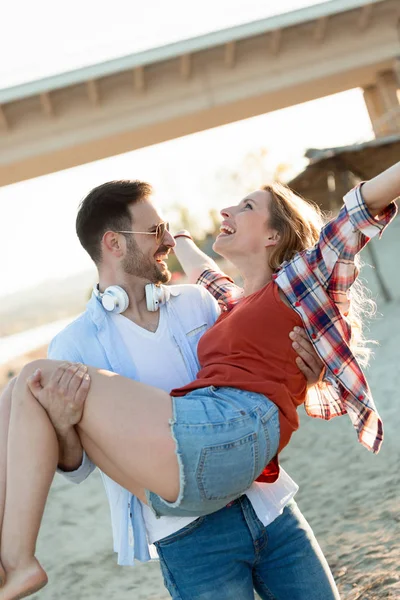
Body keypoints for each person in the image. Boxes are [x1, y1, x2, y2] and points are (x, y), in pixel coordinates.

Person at [1, 161, 398, 600]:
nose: (168, 240)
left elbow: (252, 359)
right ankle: (11, 558)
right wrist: (62, 423)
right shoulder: (74, 343)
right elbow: (78, 464)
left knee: (26, 383)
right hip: (187, 535)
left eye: (170, 230)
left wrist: (312, 365)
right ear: (113, 243)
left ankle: (17, 561)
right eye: (156, 231)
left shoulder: (197, 303)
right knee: (23, 389)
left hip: (266, 505)